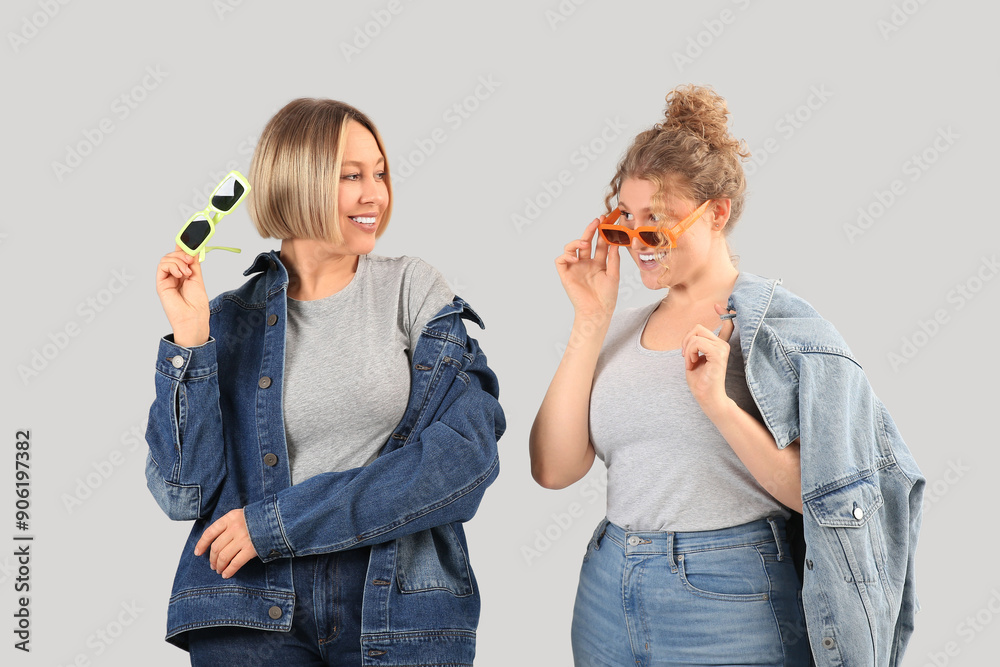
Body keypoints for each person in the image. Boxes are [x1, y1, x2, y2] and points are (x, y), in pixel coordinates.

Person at [529, 84, 923, 666]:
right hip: (608, 587)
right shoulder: (618, 328)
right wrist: (590, 320)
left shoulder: (782, 330)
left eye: (655, 226)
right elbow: (554, 469)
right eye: (623, 225)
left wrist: (718, 404)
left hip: (730, 593)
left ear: (717, 213)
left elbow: (822, 496)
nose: (637, 245)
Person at [144, 98, 505, 666]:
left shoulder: (411, 289)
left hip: (394, 604)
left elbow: (465, 459)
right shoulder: (228, 320)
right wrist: (190, 339)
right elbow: (181, 494)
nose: (375, 195)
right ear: (296, 182)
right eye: (351, 176)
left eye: (380, 173)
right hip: (247, 608)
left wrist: (279, 524)